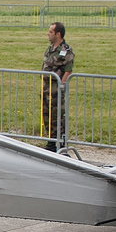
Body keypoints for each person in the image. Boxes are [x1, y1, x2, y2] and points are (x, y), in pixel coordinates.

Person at [41, 22, 74, 152]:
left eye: (50, 32)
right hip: (46, 89)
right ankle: (51, 140)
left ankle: (60, 142)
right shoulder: (50, 49)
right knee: (47, 115)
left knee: (57, 116)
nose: (48, 34)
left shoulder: (65, 50)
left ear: (58, 34)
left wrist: (61, 86)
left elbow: (68, 70)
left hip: (56, 90)